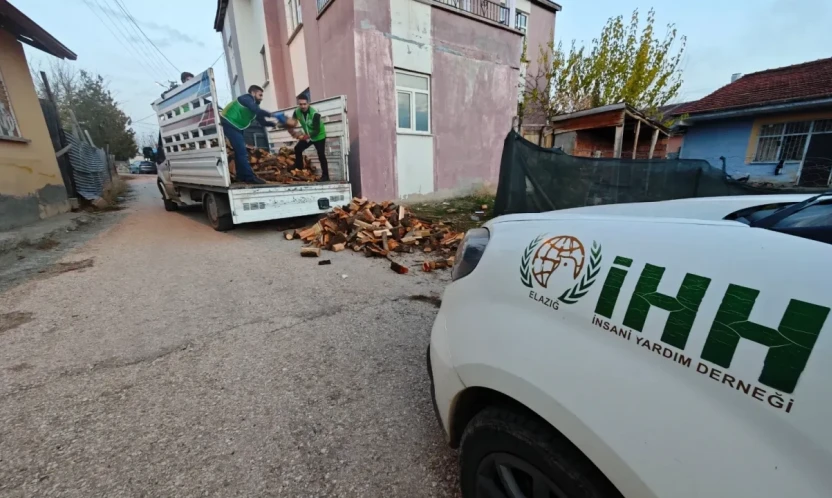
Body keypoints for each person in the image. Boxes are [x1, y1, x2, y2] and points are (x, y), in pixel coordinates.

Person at [220, 85, 282, 184]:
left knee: (239, 152)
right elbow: (257, 110)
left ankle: (241, 176)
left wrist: (275, 123)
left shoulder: (255, 107)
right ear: (253, 93)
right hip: (229, 122)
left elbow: (263, 122)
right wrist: (273, 115)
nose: (261, 98)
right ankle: (249, 177)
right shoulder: (246, 98)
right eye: (260, 95)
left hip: (237, 126)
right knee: (242, 152)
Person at [292, 94, 329, 182]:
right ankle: (299, 168)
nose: (303, 106)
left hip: (319, 136)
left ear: (308, 103)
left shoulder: (315, 114)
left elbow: (316, 130)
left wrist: (304, 136)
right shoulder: (297, 112)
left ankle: (326, 176)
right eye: (300, 104)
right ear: (298, 104)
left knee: (321, 155)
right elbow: (293, 122)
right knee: (297, 148)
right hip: (308, 136)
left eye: (304, 104)